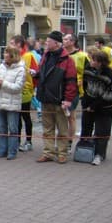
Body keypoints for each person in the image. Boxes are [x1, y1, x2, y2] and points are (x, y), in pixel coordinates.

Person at [35, 30, 77, 164]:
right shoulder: (45, 56)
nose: (46, 43)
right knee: (47, 128)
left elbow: (71, 82)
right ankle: (48, 152)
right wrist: (36, 75)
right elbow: (42, 73)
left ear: (57, 44)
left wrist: (68, 99)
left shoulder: (68, 60)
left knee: (62, 129)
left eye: (49, 41)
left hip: (59, 100)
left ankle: (62, 153)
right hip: (45, 97)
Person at [80, 49, 112, 165]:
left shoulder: (109, 74)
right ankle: (84, 151)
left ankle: (99, 154)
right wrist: (85, 102)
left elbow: (110, 95)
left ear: (100, 62)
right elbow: (85, 85)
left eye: (93, 60)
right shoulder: (88, 69)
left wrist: (94, 106)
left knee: (102, 132)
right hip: (89, 104)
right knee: (86, 128)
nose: (90, 61)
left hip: (105, 107)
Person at [0, 46, 25, 160]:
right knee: (1, 127)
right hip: (0, 102)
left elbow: (18, 87)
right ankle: (2, 150)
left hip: (13, 104)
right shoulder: (1, 66)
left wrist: (4, 83)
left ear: (12, 55)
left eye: (6, 53)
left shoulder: (20, 69)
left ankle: (12, 151)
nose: (4, 55)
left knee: (13, 128)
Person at [9, 35, 39, 152]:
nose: (10, 44)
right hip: (14, 90)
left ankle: (28, 141)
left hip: (25, 91)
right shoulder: (12, 56)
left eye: (12, 43)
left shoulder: (28, 56)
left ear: (18, 44)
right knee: (16, 117)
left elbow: (35, 73)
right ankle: (16, 140)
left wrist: (31, 88)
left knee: (25, 116)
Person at [63, 33, 89, 151]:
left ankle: (68, 142)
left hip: (74, 89)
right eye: (63, 39)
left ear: (73, 42)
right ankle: (61, 140)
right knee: (60, 116)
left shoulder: (82, 56)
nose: (64, 41)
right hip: (60, 89)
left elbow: (88, 73)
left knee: (71, 116)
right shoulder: (61, 54)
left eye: (66, 39)